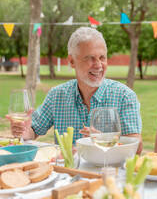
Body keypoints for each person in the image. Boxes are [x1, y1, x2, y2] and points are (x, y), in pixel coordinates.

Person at [7, 27, 143, 153]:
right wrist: (24, 132)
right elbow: (33, 131)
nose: (98, 65)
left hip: (109, 174)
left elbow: (136, 147)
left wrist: (104, 139)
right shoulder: (57, 95)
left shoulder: (125, 95)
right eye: (90, 58)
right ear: (72, 61)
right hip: (67, 174)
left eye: (102, 58)